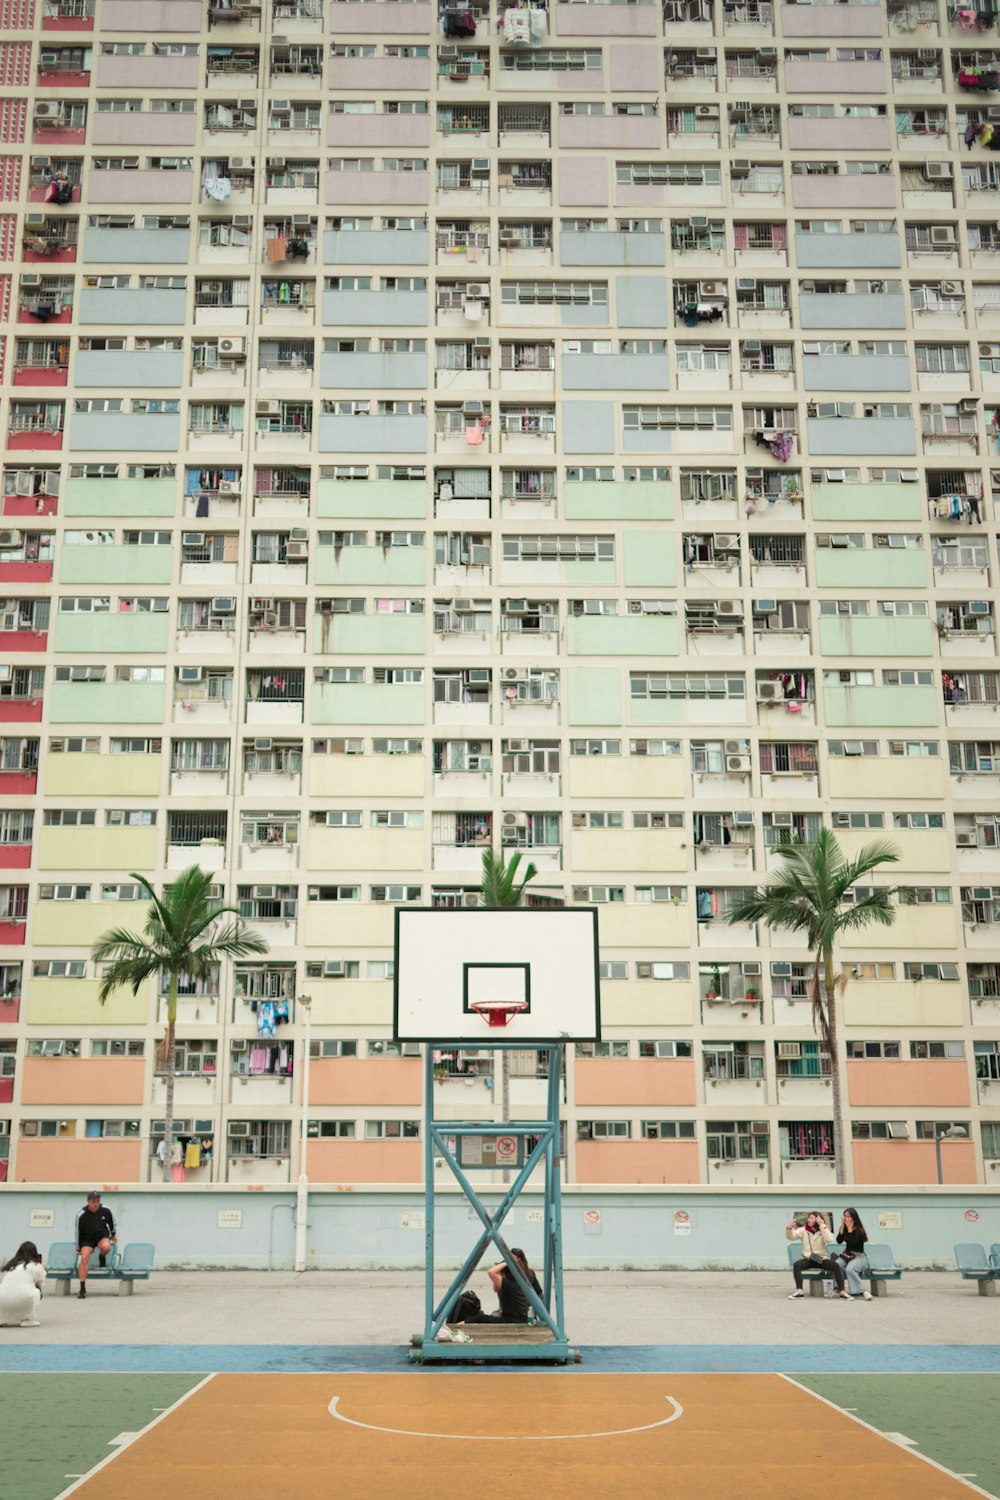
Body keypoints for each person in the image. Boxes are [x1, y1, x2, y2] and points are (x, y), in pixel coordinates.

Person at [455, 1249, 544, 1324]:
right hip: (525, 1318)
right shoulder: (524, 1278)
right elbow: (496, 1288)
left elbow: (491, 1272)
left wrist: (507, 1261)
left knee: (479, 1318)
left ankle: (457, 1325)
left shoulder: (508, 1284)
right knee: (485, 1316)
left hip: (511, 1320)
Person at [786, 1210, 849, 1299]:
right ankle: (799, 1291)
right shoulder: (804, 1230)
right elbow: (791, 1237)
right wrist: (789, 1228)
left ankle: (842, 1292)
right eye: (809, 1217)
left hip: (820, 1259)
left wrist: (822, 1225)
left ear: (818, 1220)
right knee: (797, 1265)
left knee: (835, 1266)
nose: (809, 1219)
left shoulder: (823, 1229)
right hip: (808, 1259)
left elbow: (829, 1238)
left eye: (812, 1218)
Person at [75, 1190, 116, 1298]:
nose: (96, 1204)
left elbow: (112, 1223)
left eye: (98, 1201)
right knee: (84, 1258)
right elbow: (77, 1232)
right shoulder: (81, 1214)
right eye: (94, 1201)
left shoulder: (106, 1210)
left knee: (106, 1247)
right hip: (87, 1239)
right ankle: (82, 1288)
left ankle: (101, 1256)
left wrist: (113, 1234)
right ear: (88, 1201)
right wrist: (78, 1248)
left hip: (101, 1236)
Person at [0, 1242, 45, 1327]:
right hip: (23, 1298)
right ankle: (27, 1319)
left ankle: (2, 1319)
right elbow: (40, 1282)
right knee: (37, 1291)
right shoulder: (35, 1265)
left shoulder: (10, 1265)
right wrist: (41, 1266)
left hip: (1, 1300)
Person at [833, 1207, 872, 1301]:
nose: (846, 1218)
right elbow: (839, 1241)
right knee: (836, 1265)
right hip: (847, 1255)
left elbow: (852, 1243)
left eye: (848, 1216)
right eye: (844, 1216)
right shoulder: (845, 1228)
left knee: (850, 1269)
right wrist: (842, 1227)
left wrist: (850, 1229)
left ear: (853, 1218)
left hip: (859, 1256)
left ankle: (864, 1291)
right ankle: (838, 1289)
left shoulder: (859, 1230)